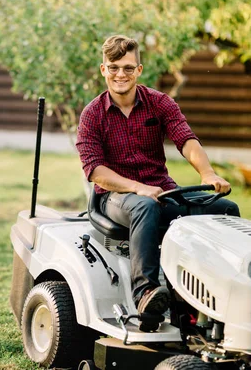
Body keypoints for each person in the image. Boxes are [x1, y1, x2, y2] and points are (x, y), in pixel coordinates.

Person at [76, 35, 240, 318]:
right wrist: (138, 188)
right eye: (113, 67)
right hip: (116, 198)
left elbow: (185, 139)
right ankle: (146, 294)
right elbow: (96, 172)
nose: (120, 74)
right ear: (103, 69)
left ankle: (223, 288)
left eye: (128, 68)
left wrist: (207, 172)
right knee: (146, 206)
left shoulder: (160, 103)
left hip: (162, 191)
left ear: (139, 70)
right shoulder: (92, 115)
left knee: (225, 209)